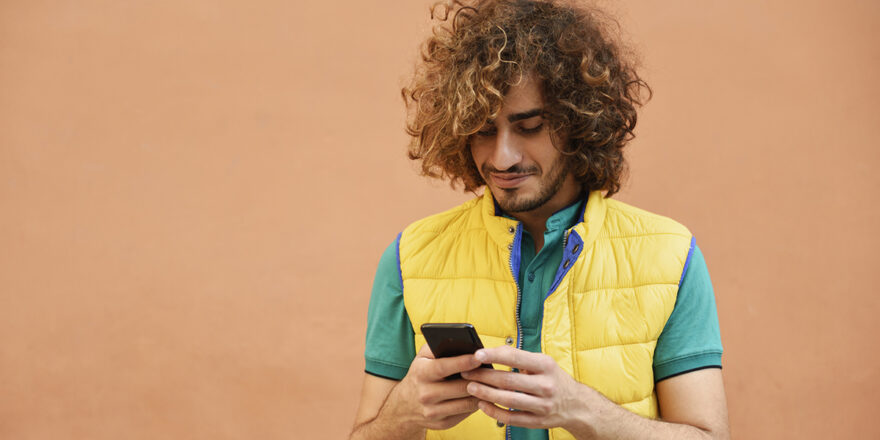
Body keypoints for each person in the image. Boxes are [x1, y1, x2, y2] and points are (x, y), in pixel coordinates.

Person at [350, 1, 729, 439]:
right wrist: (402, 414)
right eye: (483, 130)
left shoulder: (671, 256)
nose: (502, 157)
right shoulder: (408, 257)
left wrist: (583, 410)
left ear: (580, 122)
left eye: (528, 126)